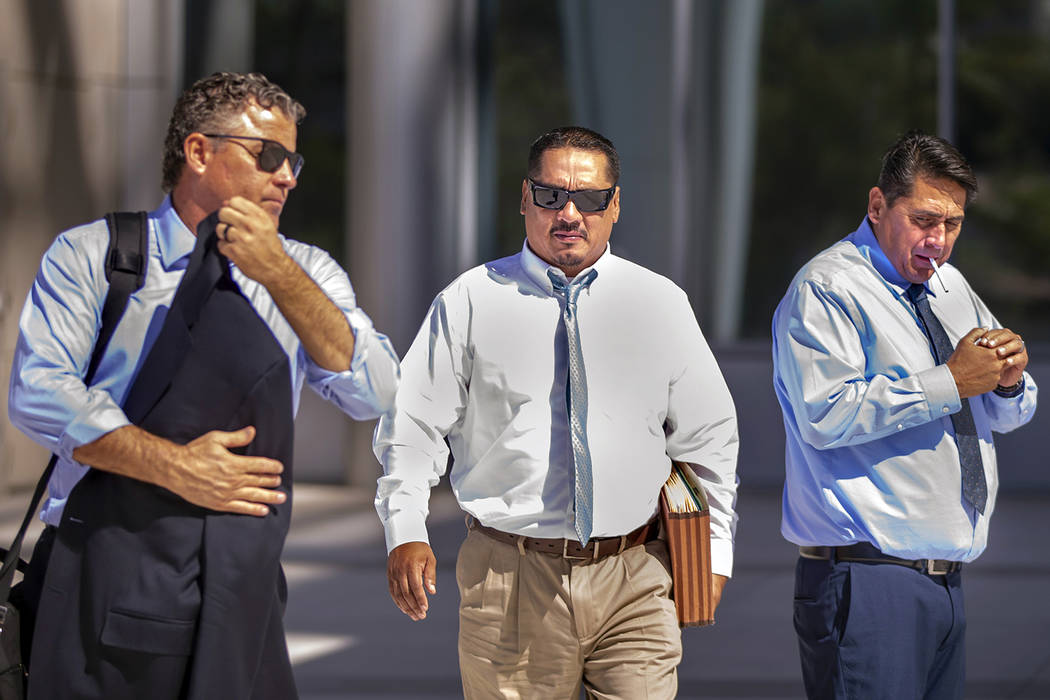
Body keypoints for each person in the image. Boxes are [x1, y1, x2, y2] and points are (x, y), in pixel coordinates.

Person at [8, 71, 399, 698]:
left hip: (242, 582)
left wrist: (278, 274)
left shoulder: (307, 271)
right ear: (198, 152)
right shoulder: (95, 256)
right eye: (268, 155)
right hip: (103, 565)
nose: (288, 177)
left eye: (292, 160)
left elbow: (376, 393)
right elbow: (39, 391)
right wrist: (174, 466)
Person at [374, 126, 739, 699]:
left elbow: (709, 437)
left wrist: (715, 554)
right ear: (525, 198)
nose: (569, 212)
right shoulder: (470, 299)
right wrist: (404, 530)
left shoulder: (659, 302)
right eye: (550, 195)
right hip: (511, 578)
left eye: (590, 199)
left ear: (614, 206)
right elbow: (412, 425)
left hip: (635, 575)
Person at [772, 130, 1038, 699]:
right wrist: (951, 381)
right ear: (876, 206)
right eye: (922, 220)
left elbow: (1005, 415)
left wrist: (1010, 383)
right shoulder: (826, 289)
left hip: (943, 582)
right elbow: (827, 413)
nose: (937, 241)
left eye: (953, 224)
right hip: (866, 582)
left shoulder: (950, 286)